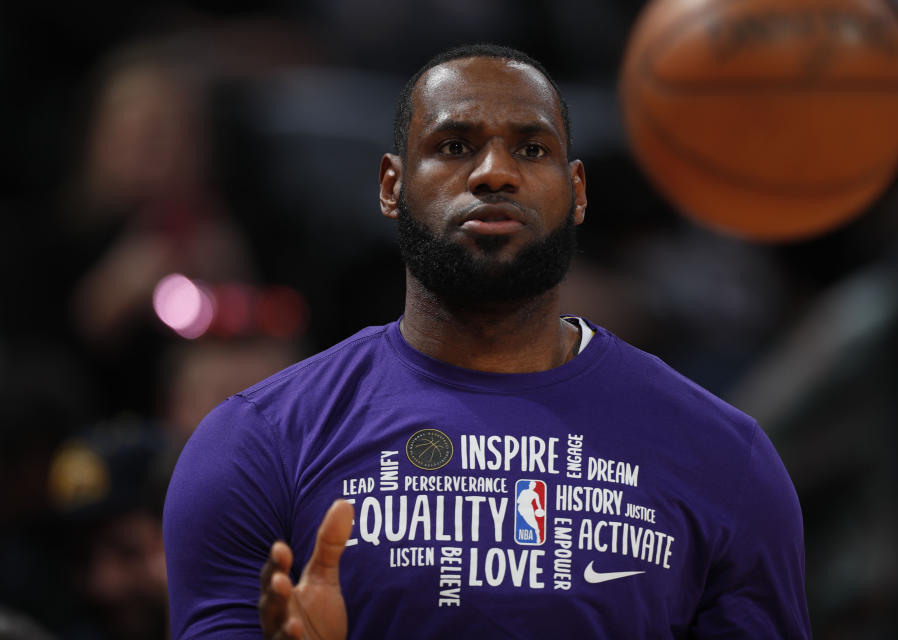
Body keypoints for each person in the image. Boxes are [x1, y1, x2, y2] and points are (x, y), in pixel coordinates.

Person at [163, 44, 811, 639]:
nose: (495, 172)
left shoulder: (727, 457)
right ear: (392, 186)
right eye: (453, 146)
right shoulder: (256, 443)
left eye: (531, 149)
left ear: (577, 192)